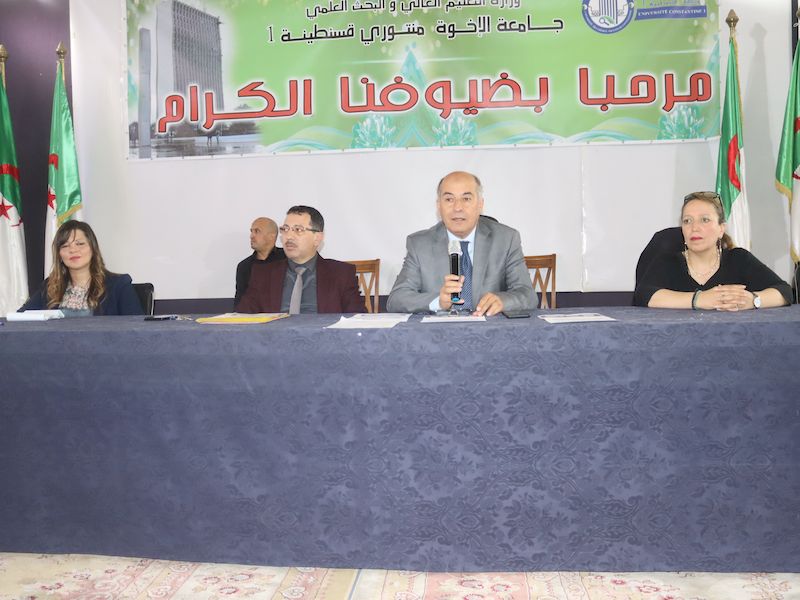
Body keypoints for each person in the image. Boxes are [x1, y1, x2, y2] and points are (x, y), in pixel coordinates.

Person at [387, 171, 535, 316]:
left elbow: (528, 295)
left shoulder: (506, 239)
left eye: (466, 199)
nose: (457, 208)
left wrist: (503, 301)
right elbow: (396, 299)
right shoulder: (419, 244)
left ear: (480, 204)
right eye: (449, 199)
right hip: (439, 331)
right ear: (439, 206)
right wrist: (438, 302)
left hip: (489, 329)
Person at [634, 191, 792, 310]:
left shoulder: (739, 259)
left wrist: (753, 300)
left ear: (721, 229)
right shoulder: (667, 261)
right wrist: (698, 300)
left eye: (705, 220)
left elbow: (784, 291)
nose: (695, 228)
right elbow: (643, 295)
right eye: (687, 221)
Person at [236, 205, 365, 314]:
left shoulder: (341, 274)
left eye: (298, 230)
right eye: (285, 229)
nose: (289, 236)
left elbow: (358, 322)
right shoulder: (263, 274)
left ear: (317, 238)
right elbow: (241, 320)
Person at [19, 220, 143, 316]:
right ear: (59, 255)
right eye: (65, 246)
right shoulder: (50, 287)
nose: (73, 250)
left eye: (80, 244)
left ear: (93, 249)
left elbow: (138, 329)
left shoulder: (118, 285)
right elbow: (20, 319)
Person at [234, 217, 286, 309]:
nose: (251, 236)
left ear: (272, 236)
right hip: (252, 316)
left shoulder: (287, 259)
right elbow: (239, 303)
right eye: (251, 231)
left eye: (257, 231)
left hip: (284, 315)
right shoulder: (244, 266)